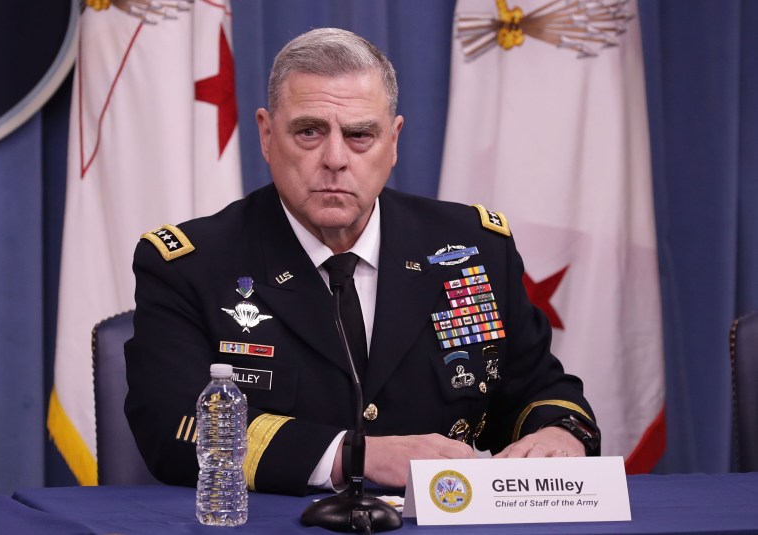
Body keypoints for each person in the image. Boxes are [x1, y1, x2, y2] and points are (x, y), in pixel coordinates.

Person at [124, 27, 600, 497]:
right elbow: (175, 426)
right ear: (267, 135)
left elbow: (539, 388)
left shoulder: (473, 247)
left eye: (359, 135)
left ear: (393, 141)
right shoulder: (190, 264)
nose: (335, 158)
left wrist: (560, 434)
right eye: (309, 132)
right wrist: (356, 456)